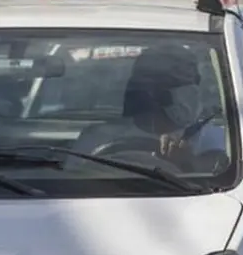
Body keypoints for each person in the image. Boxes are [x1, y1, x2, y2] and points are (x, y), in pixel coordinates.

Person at [71, 45, 224, 167]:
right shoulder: (96, 138)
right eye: (173, 82)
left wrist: (189, 165)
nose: (190, 92)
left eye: (193, 82)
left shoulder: (218, 140)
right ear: (148, 90)